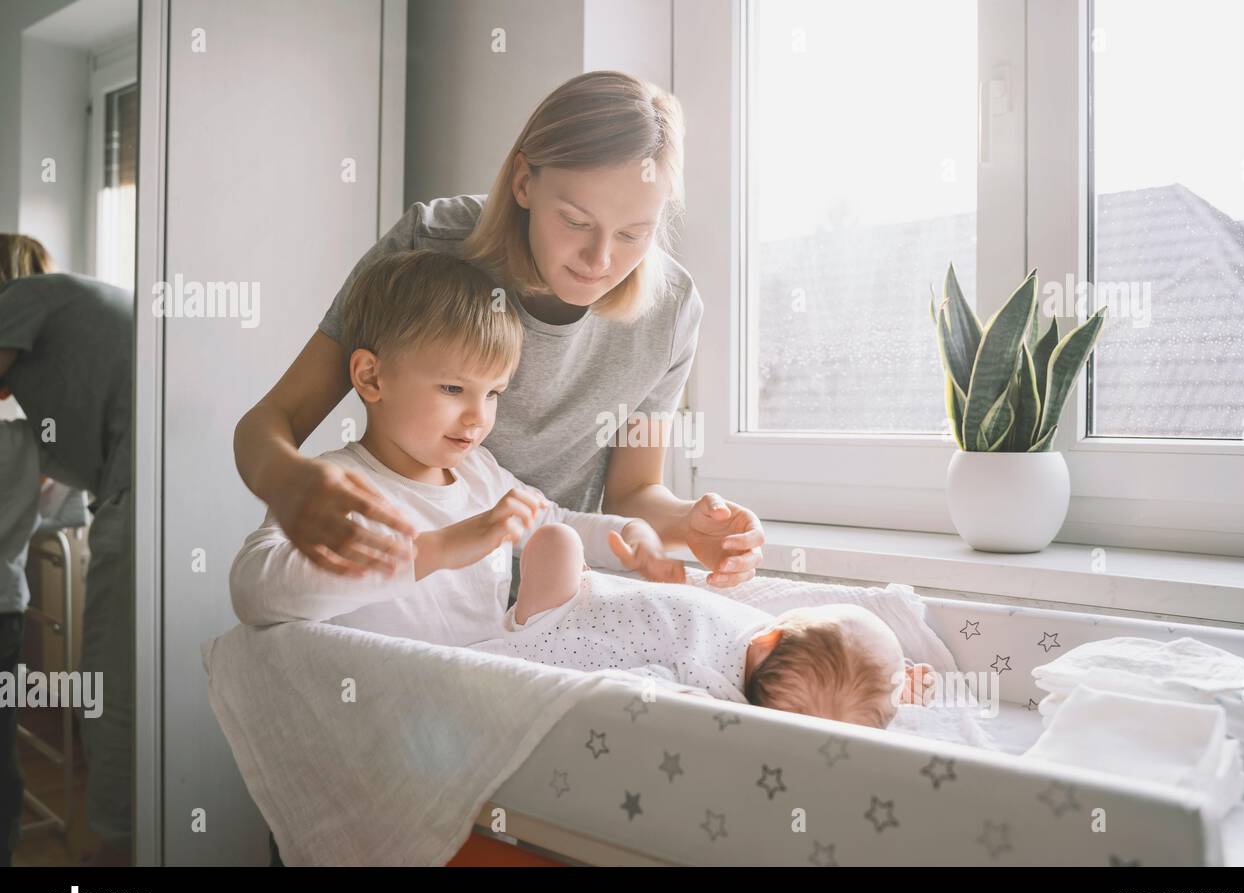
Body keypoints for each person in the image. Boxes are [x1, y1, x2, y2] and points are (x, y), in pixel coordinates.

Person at [232, 71, 766, 611]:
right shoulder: (431, 247)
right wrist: (288, 483)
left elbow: (633, 493)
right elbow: (275, 419)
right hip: (407, 594)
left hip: (539, 599)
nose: (600, 260)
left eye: (634, 234)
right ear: (523, 182)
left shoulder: (669, 309)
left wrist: (688, 527)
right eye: (576, 221)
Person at [229, 251, 685, 638]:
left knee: (559, 542)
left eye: (492, 394)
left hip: (482, 698)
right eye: (452, 389)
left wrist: (631, 536)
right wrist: (437, 550)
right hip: (388, 705)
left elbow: (560, 520)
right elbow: (255, 592)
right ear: (371, 377)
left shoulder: (481, 474)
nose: (478, 417)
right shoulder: (338, 486)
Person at [475, 523, 934, 728]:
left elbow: (639, 685)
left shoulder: (718, 679)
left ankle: (522, 627)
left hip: (560, 615)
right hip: (576, 625)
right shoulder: (761, 688)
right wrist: (886, 690)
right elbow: (842, 696)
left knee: (556, 539)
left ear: (773, 635)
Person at [0, 234, 134, 866]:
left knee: (110, 684)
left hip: (134, 496)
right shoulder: (80, 307)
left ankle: (108, 858)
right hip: (142, 492)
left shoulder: (24, 298)